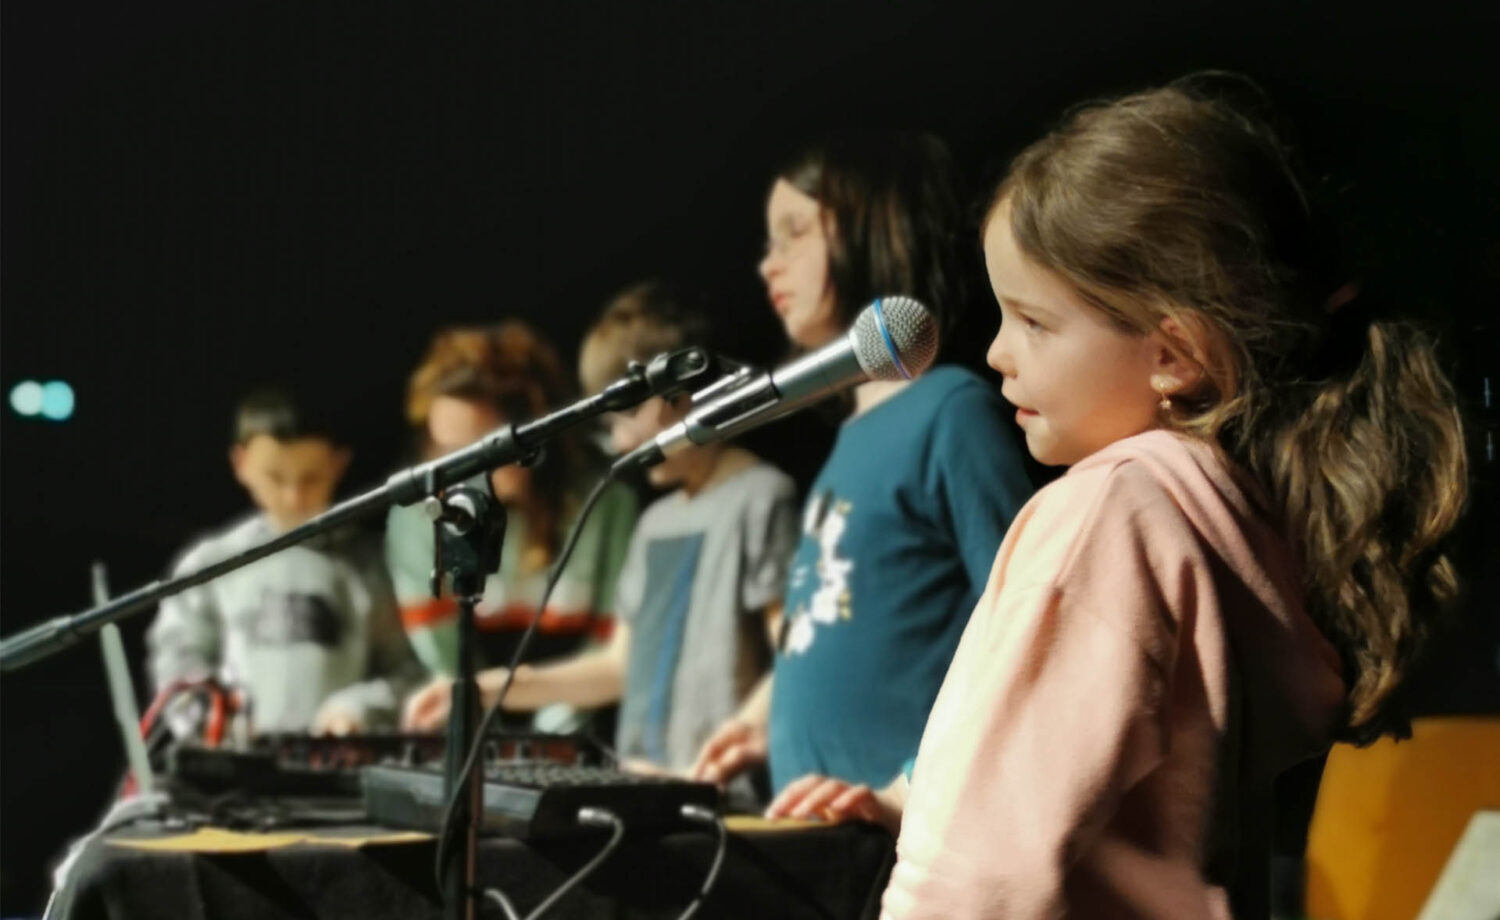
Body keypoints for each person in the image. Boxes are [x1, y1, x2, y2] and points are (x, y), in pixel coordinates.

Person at [767, 76, 1468, 920]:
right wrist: (908, 798)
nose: (996, 352)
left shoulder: (1109, 513)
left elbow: (985, 880)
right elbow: (1109, 804)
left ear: (1173, 351)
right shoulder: (1236, 528)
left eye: (1033, 321)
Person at [691, 134, 1036, 796]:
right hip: (820, 828)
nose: (769, 265)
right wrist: (760, 718)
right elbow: (834, 615)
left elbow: (1020, 627)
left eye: (793, 233)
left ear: (877, 228)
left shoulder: (951, 410)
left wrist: (908, 790)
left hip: (899, 830)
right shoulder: (851, 435)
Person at [403, 283, 799, 788]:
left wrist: (742, 731)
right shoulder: (656, 521)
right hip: (645, 782)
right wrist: (485, 688)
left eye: (626, 416)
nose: (617, 441)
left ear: (681, 391)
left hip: (722, 791)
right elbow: (617, 667)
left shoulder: (760, 497)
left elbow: (796, 654)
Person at [385, 321, 638, 731]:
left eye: (481, 447)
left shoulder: (606, 502)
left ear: (533, 436)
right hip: (473, 726)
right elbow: (445, 659)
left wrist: (545, 743)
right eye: (446, 451)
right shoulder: (416, 516)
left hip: (584, 725)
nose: (461, 471)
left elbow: (608, 647)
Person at [147, 389, 423, 735]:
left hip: (338, 765)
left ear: (338, 464)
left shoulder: (372, 567)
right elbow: (177, 661)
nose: (294, 496)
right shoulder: (212, 562)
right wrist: (206, 716)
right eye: (275, 478)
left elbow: (412, 671)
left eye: (311, 478)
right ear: (241, 464)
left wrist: (360, 708)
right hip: (231, 767)